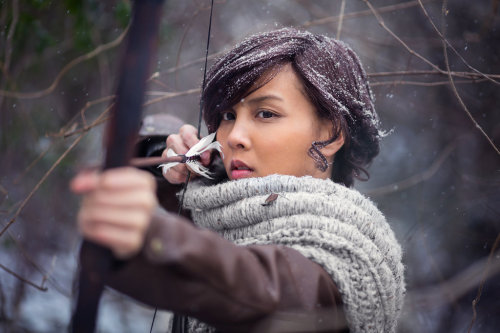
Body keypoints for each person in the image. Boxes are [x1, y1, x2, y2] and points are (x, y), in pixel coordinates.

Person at [71, 28, 405, 332]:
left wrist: (147, 238)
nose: (234, 136)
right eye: (229, 116)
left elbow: (257, 287)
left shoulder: (347, 255)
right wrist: (166, 154)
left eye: (266, 114)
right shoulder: (225, 209)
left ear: (331, 135)